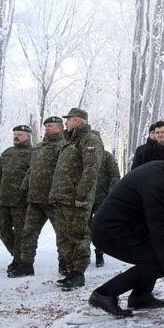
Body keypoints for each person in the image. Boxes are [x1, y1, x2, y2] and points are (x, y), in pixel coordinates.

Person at [89, 152, 164, 317]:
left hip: (127, 226)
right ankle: (105, 293)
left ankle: (141, 297)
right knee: (159, 261)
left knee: (160, 256)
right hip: (110, 231)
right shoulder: (161, 183)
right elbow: (159, 231)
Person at [49, 108, 103, 290]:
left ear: (78, 122)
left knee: (79, 236)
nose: (66, 123)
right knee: (64, 237)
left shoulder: (90, 140)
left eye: (69, 120)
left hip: (76, 200)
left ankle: (78, 273)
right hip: (62, 199)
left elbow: (91, 169)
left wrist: (81, 195)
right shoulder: (70, 141)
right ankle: (71, 271)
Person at [9, 117, 66, 278]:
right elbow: (32, 170)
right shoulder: (38, 147)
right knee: (28, 233)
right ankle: (26, 264)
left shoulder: (64, 147)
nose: (47, 128)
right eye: (46, 126)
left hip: (54, 199)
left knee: (62, 235)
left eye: (51, 126)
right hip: (34, 199)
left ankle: (65, 264)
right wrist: (24, 188)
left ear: (60, 128)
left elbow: (66, 172)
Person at [0, 125, 33, 275]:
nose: (16, 136)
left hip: (21, 202)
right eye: (15, 134)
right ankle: (17, 256)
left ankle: (19, 261)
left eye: (20, 134)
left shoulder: (33, 153)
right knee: (2, 230)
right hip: (3, 200)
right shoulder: (7, 153)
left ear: (28, 136)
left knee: (21, 233)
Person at [91, 147, 121, 267]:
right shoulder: (81, 154)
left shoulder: (107, 156)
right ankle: (82, 256)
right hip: (83, 199)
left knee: (99, 228)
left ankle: (99, 253)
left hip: (101, 199)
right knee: (82, 228)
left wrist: (110, 196)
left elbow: (115, 176)